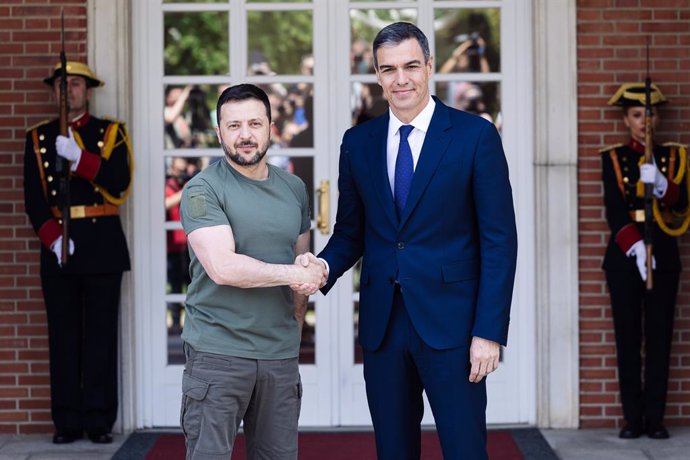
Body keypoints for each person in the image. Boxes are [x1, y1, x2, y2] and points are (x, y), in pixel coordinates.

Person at [297, 22, 517, 459]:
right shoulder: (358, 143)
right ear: (377, 75)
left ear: (430, 67)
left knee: (465, 450)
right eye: (389, 69)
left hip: (454, 328)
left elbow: (499, 241)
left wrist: (489, 332)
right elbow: (351, 232)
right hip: (383, 327)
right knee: (394, 451)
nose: (401, 79)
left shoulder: (475, 137)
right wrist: (322, 266)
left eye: (411, 66)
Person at [178, 83, 326, 459]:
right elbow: (223, 268)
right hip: (217, 353)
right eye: (234, 125)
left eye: (255, 124)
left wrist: (294, 323)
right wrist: (296, 275)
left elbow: (301, 261)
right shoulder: (202, 190)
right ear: (219, 132)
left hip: (279, 355)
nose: (245, 135)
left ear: (271, 127)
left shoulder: (294, 188)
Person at [23, 61, 133, 444]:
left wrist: (80, 158)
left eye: (74, 83)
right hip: (59, 248)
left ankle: (99, 420)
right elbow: (34, 200)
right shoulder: (37, 138)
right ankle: (67, 422)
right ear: (53, 92)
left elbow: (120, 182)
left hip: (101, 243)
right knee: (63, 337)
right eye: (60, 84)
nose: (67, 90)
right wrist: (53, 238)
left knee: (100, 337)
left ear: (88, 90)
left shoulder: (110, 132)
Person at [600, 82, 689, 440]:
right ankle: (631, 419)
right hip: (626, 258)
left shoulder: (675, 157)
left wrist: (663, 185)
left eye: (650, 114)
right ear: (626, 119)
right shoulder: (613, 157)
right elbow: (614, 209)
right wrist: (635, 247)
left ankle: (655, 418)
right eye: (637, 115)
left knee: (659, 337)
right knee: (628, 337)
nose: (644, 122)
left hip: (664, 257)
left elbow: (682, 205)